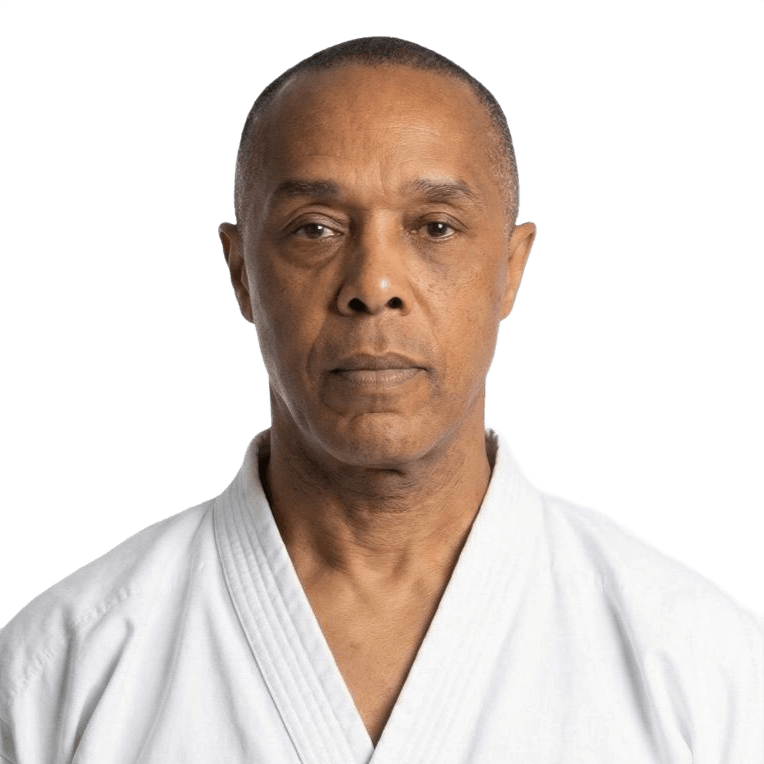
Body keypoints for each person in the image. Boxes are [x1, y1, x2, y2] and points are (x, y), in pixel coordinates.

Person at [0, 36, 761, 764]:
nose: (374, 285)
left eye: (435, 227)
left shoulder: (708, 667)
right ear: (240, 272)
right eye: (316, 229)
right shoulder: (57, 669)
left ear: (511, 268)